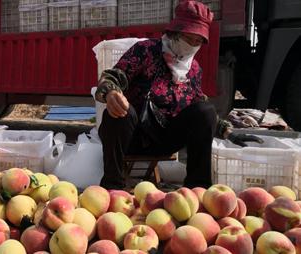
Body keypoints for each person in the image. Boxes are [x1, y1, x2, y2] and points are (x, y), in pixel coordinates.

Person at [94, 0, 262, 190]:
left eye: (198, 42)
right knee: (119, 113)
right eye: (189, 39)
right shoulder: (146, 51)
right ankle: (113, 187)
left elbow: (199, 108)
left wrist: (228, 132)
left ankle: (198, 187)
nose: (193, 45)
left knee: (205, 109)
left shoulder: (193, 70)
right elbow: (113, 76)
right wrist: (111, 93)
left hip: (165, 139)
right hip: (133, 136)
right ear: (175, 33)